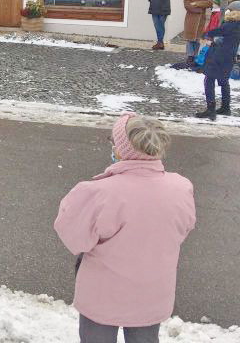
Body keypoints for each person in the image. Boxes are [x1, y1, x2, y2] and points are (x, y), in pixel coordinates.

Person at [54, 113, 195, 343]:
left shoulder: (98, 192)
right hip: (153, 294)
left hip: (102, 296)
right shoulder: (181, 188)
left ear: (121, 150)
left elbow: (75, 238)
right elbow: (183, 229)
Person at [195, 1, 240, 120]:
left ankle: (211, 110)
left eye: (229, 10)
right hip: (229, 58)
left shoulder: (229, 25)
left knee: (209, 80)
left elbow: (212, 35)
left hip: (218, 57)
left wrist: (211, 39)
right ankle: (226, 108)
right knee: (224, 82)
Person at [182, 0, 212, 65]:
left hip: (201, 21)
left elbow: (209, 3)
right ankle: (190, 56)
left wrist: (196, 3)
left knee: (197, 39)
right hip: (190, 20)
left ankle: (195, 56)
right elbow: (188, 6)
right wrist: (200, 8)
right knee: (189, 39)